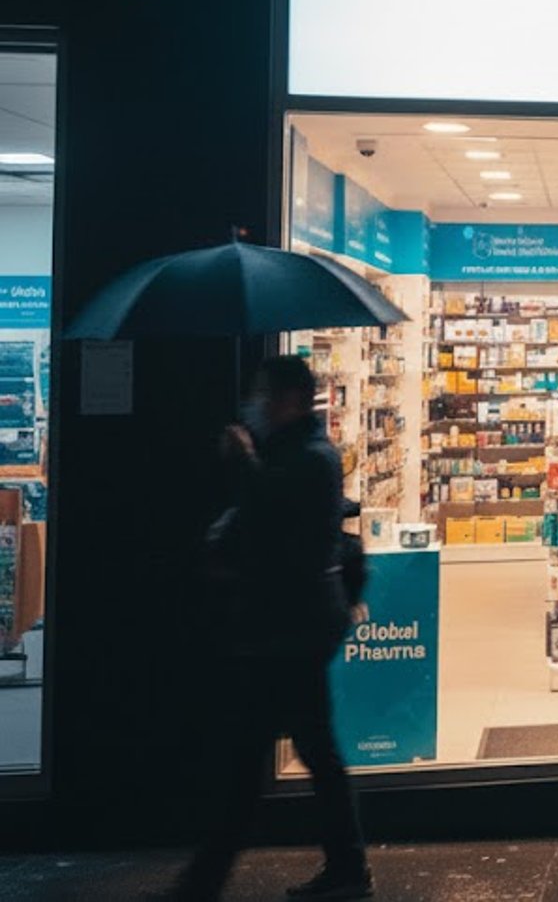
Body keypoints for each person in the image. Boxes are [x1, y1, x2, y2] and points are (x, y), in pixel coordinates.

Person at [163, 356, 369, 902]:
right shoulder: (295, 452)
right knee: (305, 752)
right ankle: (345, 869)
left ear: (291, 399)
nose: (255, 404)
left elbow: (275, 518)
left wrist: (245, 462)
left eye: (263, 394)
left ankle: (204, 881)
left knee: (259, 757)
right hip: (287, 623)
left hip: (292, 625)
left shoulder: (313, 457)